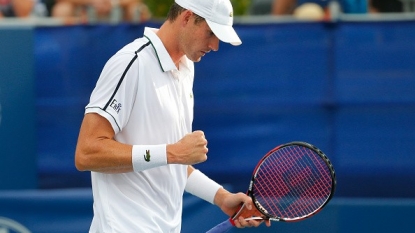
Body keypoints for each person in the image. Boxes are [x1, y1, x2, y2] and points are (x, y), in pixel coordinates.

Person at [74, 0, 271, 232]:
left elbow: (168, 162)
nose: (215, 45)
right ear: (186, 18)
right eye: (211, 32)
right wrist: (172, 152)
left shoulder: (186, 67)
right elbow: (87, 153)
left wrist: (220, 197)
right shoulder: (131, 63)